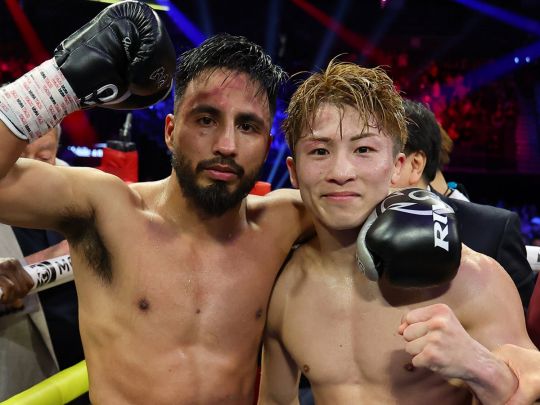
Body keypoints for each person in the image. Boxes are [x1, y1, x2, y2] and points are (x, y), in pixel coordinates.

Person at [0, 2, 312, 403]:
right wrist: (59, 83)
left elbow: (374, 205)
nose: (226, 145)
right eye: (205, 119)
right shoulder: (105, 209)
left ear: (267, 146)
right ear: (170, 131)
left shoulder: (284, 221)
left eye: (247, 126)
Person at [258, 61, 535, 405]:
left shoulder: (470, 278)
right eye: (319, 151)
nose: (341, 172)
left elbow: (531, 390)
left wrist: (480, 367)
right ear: (294, 171)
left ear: (397, 166)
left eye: (363, 149)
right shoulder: (285, 288)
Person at [395, 99, 536, 310]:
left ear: (414, 164)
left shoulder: (492, 230)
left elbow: (523, 324)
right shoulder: (349, 231)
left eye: (367, 151)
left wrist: (466, 332)